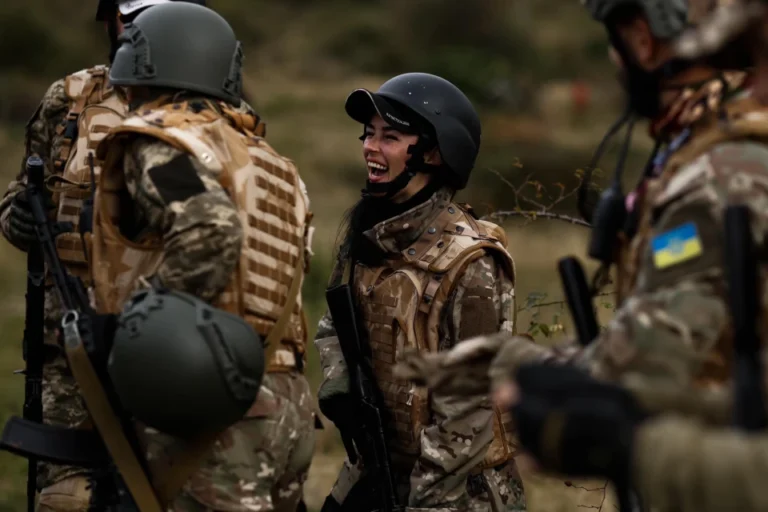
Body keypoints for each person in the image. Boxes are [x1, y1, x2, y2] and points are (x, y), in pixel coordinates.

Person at [396, 0, 768, 406]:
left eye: (614, 43)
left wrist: (526, 376)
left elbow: (662, 358)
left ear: (642, 43)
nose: (613, 61)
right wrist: (512, 364)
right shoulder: (701, 151)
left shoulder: (720, 172)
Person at [88, 3, 316, 510]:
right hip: (288, 401)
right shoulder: (271, 161)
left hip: (209, 398)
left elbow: (207, 228)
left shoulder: (167, 142)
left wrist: (141, 322)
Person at [0, 0, 205, 509]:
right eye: (127, 16)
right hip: (68, 346)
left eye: (150, 15)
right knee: (65, 497)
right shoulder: (71, 98)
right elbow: (24, 191)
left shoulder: (205, 106)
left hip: (165, 347)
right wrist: (18, 217)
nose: (136, 29)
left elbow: (216, 226)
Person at [314, 72, 526, 512]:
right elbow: (334, 324)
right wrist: (343, 388)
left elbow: (466, 412)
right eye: (368, 134)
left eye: (389, 137)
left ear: (433, 153)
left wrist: (425, 502)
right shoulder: (366, 238)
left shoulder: (471, 263)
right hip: (379, 469)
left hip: (457, 493)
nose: (371, 148)